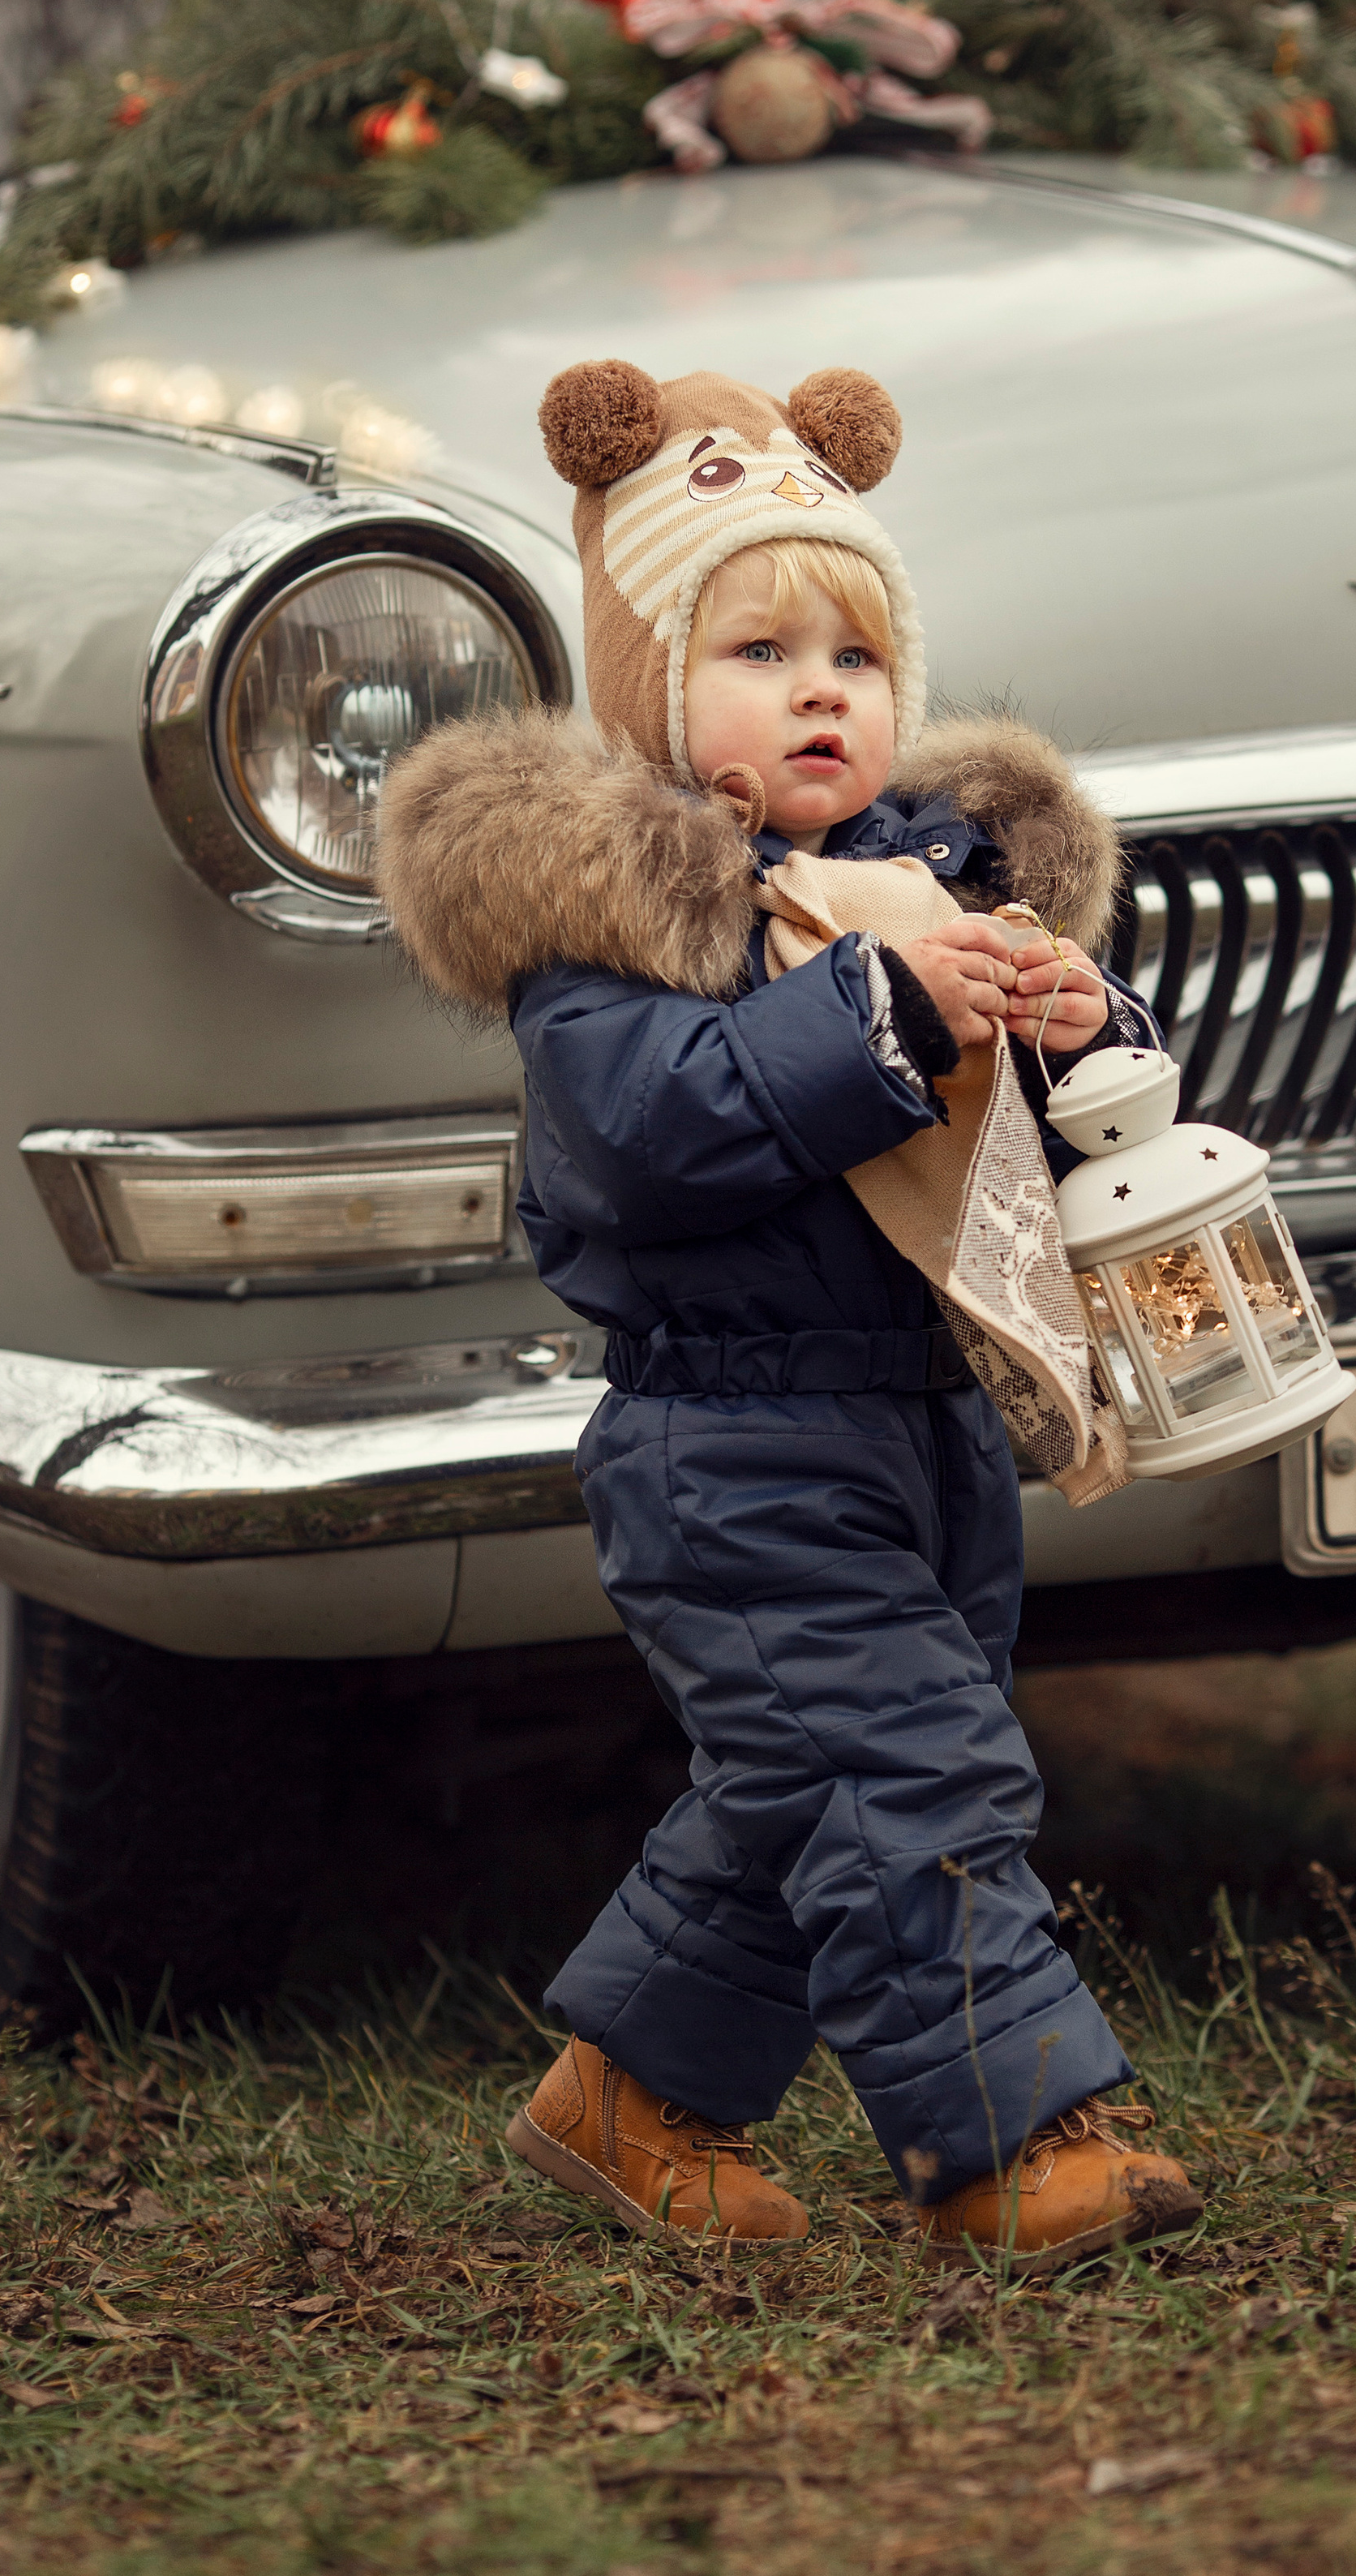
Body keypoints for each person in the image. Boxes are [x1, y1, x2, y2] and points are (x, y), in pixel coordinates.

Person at [377, 356, 1201, 2271]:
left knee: (799, 1784)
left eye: (852, 650)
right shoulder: (605, 935)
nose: (818, 685)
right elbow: (663, 1131)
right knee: (905, 1773)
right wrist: (891, 1017)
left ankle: (628, 2101)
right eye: (754, 648)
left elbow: (1032, 1158)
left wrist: (1093, 1041)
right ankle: (1015, 2140)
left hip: (919, 1424)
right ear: (659, 693)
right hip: (728, 1444)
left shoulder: (926, 893)